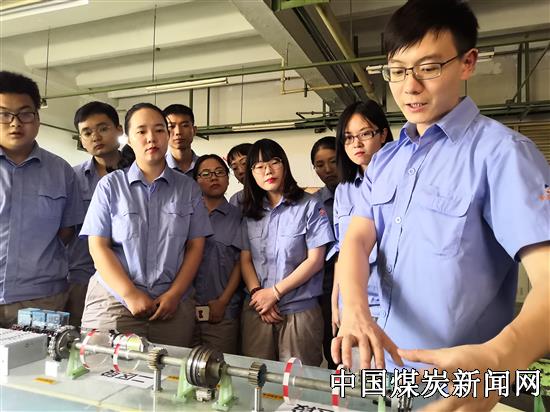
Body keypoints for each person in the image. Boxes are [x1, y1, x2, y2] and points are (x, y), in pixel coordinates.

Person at [332, 1, 550, 410]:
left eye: (428, 68)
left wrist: (499, 359)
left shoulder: (502, 154)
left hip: (454, 389)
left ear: (467, 63)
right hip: (381, 373)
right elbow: (357, 239)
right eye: (398, 71)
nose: (410, 87)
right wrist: (356, 311)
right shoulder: (386, 159)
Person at [80, 102, 213, 346]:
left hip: (171, 306)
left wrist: (175, 294)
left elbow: (195, 246)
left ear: (167, 135)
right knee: (102, 366)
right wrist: (129, 294)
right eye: (141, 131)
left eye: (159, 130)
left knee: (169, 367)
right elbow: (98, 246)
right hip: (114, 302)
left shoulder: (188, 189)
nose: (151, 138)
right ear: (128, 138)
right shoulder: (110, 186)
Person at [240, 138, 334, 366]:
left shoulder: (310, 205)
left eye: (274, 162)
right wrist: (259, 295)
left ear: (284, 165)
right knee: (256, 379)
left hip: (299, 312)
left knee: (298, 382)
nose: (268, 171)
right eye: (259, 166)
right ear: (251, 173)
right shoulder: (250, 211)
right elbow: (245, 259)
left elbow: (315, 260)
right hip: (258, 311)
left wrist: (275, 293)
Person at [0, 71, 83, 327]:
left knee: (39, 356)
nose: (15, 123)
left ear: (37, 118)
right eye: (4, 114)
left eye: (25, 114)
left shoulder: (61, 171)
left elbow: (66, 231)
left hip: (41, 300)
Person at [331, 101, 392, 330]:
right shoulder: (343, 190)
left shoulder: (400, 181)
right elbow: (342, 250)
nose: (356, 143)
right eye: (348, 138)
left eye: (365, 134)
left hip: (393, 304)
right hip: (353, 305)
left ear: (383, 134)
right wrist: (336, 301)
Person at [67, 101, 124, 327]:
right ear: (81, 139)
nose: (96, 137)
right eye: (87, 132)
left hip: (127, 279)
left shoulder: (136, 175)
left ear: (119, 130)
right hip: (81, 277)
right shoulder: (72, 178)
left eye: (103, 128)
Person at [192, 154, 243, 354]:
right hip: (185, 311)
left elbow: (241, 264)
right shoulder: (187, 215)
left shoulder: (239, 218)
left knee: (219, 368)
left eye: (220, 172)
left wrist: (223, 301)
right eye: (206, 174)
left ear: (228, 178)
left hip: (222, 313)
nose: (214, 177)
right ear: (196, 181)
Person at [310, 136, 339, 369]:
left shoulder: (365, 190)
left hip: (367, 280)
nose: (327, 169)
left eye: (333, 161)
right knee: (334, 347)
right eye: (320, 165)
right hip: (327, 283)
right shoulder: (314, 203)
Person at [163, 104, 199, 176]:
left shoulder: (205, 166)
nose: (178, 132)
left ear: (194, 130)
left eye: (184, 126)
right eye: (171, 126)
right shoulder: (157, 169)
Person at [227, 143, 252, 208]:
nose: (240, 171)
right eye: (235, 168)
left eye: (244, 163)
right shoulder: (235, 200)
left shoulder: (273, 194)